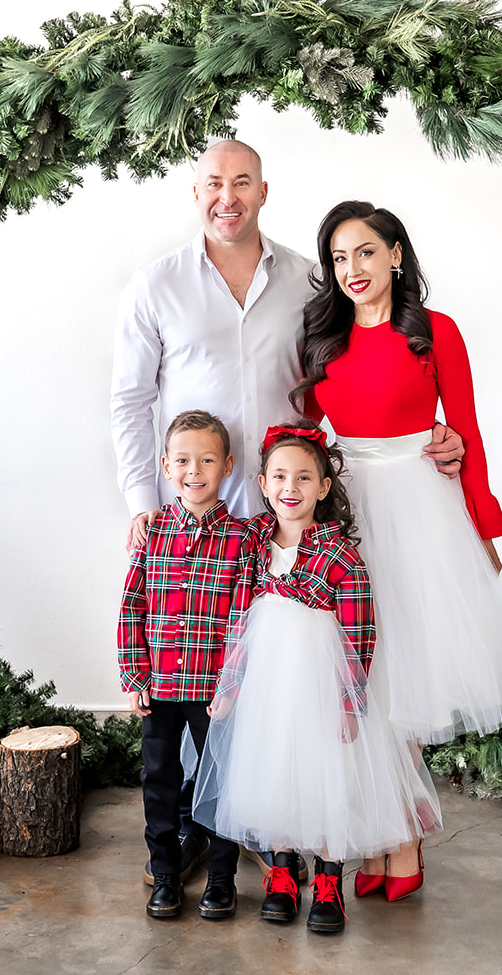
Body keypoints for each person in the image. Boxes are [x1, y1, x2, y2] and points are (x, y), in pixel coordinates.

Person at [109, 141, 466, 885]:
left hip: (289, 513)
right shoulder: (157, 285)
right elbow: (130, 401)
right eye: (214, 183)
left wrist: (421, 437)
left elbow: (352, 371)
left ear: (264, 191)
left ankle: (279, 828)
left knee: (290, 670)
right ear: (195, 192)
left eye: (242, 182)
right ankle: (201, 828)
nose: (227, 196)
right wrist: (145, 502)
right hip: (199, 515)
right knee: (194, 673)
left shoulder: (307, 280)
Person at [295, 201, 502, 898]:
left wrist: (482, 528)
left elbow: (466, 430)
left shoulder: (434, 332)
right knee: (364, 673)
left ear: (395, 254)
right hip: (349, 512)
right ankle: (390, 838)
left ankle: (401, 844)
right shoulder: (322, 337)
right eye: (337, 258)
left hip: (421, 513)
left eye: (364, 252)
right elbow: (306, 434)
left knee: (406, 673)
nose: (351, 269)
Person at [191, 423, 440, 935]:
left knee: (329, 777)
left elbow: (359, 636)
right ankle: (282, 874)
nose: (291, 487)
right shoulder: (254, 546)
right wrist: (229, 690)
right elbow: (239, 625)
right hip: (269, 689)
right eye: (280, 476)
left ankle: (329, 880)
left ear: (324, 488)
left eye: (304, 477)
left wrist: (349, 704)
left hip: (321, 686)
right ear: (263, 484)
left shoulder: (341, 555)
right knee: (275, 774)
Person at [116, 410, 250, 920]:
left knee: (222, 783)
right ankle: (166, 876)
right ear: (167, 466)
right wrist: (135, 675)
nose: (195, 471)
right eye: (184, 461)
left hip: (215, 693)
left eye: (207, 460)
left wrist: (231, 685)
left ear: (227, 466)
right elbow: (131, 608)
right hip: (161, 686)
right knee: (160, 781)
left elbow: (243, 621)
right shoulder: (151, 535)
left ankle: (221, 879)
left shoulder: (241, 540)